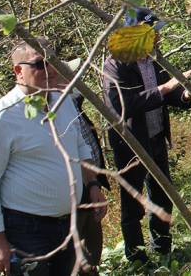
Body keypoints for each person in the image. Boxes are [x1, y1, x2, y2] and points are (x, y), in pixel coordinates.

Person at [0, 39, 107, 276]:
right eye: (40, 64)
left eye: (53, 62)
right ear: (19, 71)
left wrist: (94, 185)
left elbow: (80, 147)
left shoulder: (63, 100)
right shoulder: (1, 116)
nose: (51, 70)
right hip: (26, 230)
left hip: (69, 222)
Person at [103, 8, 191, 263]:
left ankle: (162, 250)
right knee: (133, 204)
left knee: (163, 197)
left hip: (156, 138)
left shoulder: (152, 59)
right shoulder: (116, 64)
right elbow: (122, 105)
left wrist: (185, 94)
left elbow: (167, 95)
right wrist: (166, 88)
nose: (155, 37)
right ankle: (137, 260)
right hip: (130, 144)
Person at [56, 60, 110, 274]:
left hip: (89, 186)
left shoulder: (74, 109)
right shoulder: (57, 113)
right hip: (73, 191)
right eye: (70, 74)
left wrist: (95, 184)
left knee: (93, 242)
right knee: (76, 248)